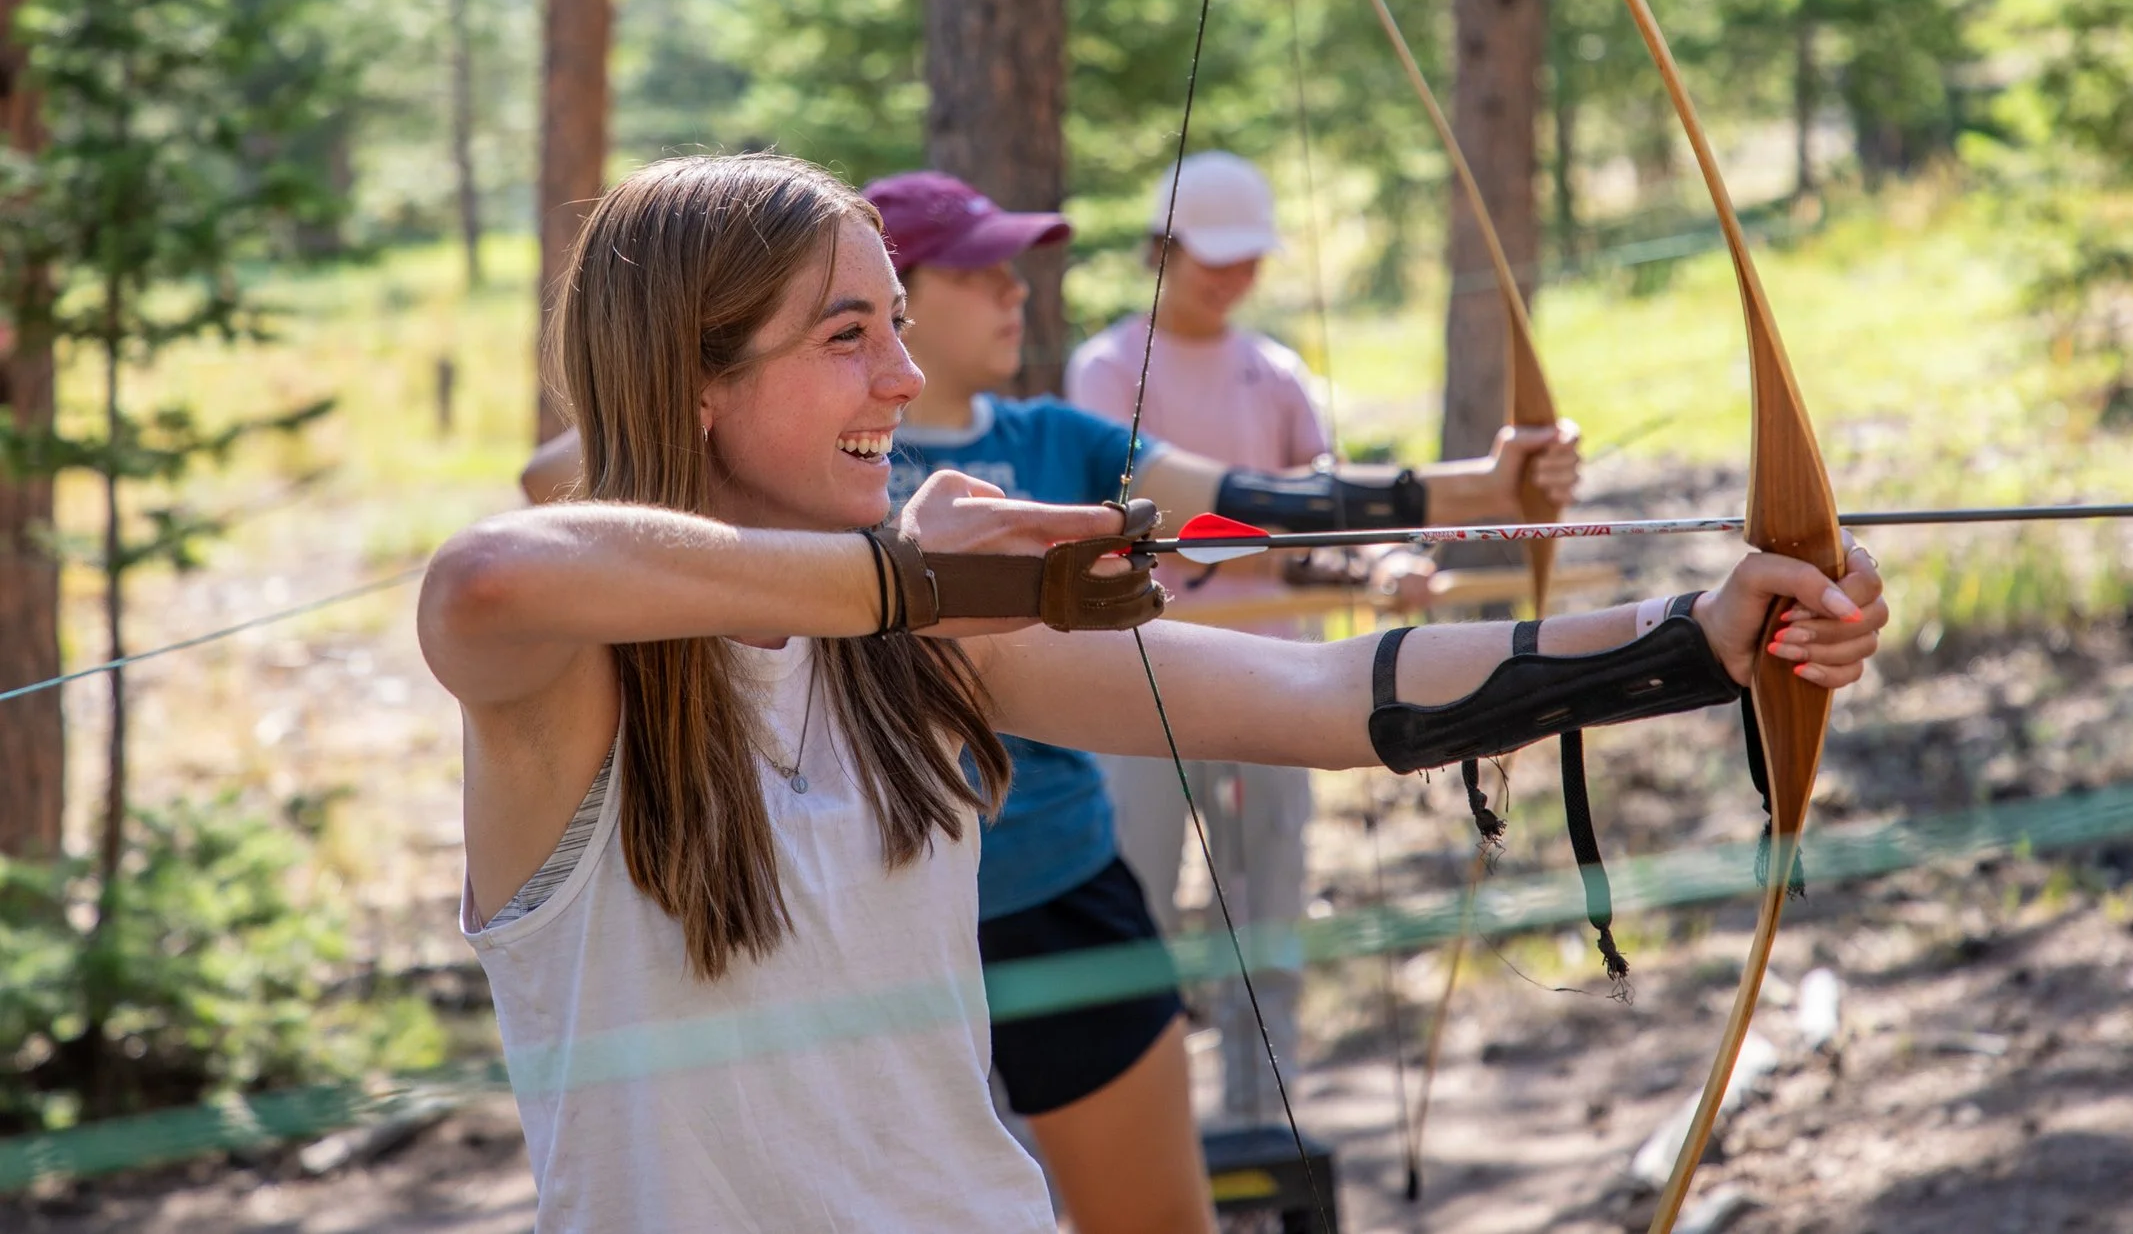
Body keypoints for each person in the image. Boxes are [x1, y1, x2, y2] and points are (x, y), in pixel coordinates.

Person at [457, 151, 1887, 1233]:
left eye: (900, 322)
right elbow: (491, 579)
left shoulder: (927, 643)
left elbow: (1323, 693)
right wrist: (907, 576)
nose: (902, 376)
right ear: (693, 378)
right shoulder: (572, 689)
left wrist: (1692, 636)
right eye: (847, 336)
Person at [1066, 148, 1488, 1125]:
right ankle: (1145, 1147)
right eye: (1215, 255)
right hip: (1138, 687)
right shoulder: (1104, 368)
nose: (1235, 276)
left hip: (1276, 682)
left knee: (1265, 918)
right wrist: (1243, 541)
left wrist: (1378, 566)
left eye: (1248, 257)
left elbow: (1326, 517)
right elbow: (1110, 515)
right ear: (1161, 248)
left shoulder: (1275, 372)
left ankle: (1263, 1133)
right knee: (1133, 912)